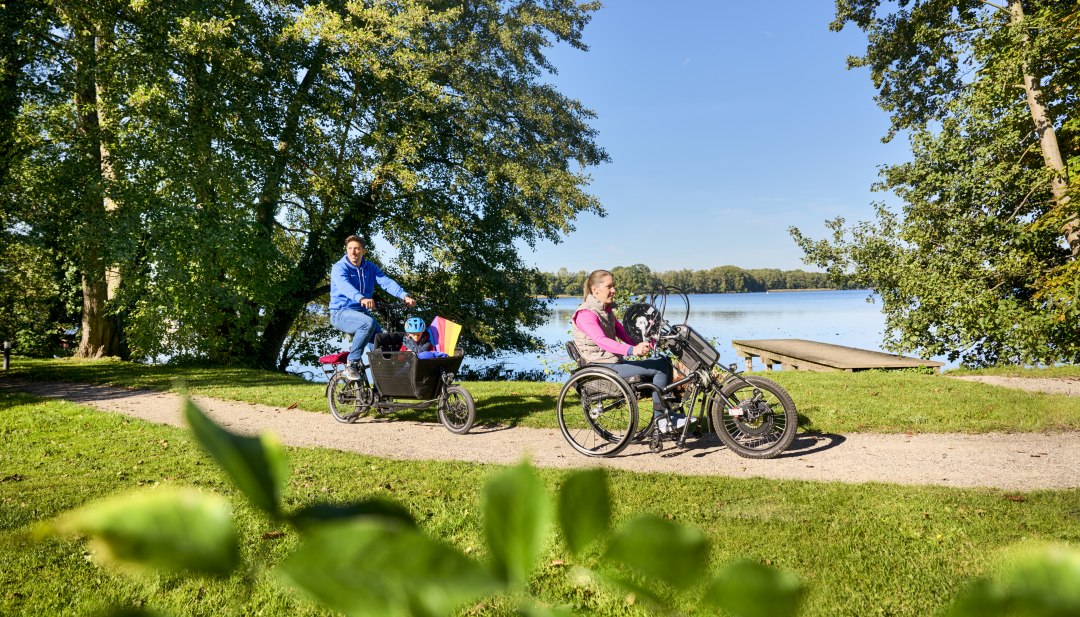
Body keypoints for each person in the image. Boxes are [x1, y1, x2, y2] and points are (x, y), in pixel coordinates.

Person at [571, 269, 689, 432]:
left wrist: (653, 343)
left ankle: (668, 414)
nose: (614, 290)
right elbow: (601, 341)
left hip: (611, 363)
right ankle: (661, 419)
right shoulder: (585, 314)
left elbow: (626, 335)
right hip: (600, 367)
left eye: (614, 286)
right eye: (609, 286)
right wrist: (632, 350)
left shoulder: (606, 311)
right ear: (595, 290)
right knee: (659, 367)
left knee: (664, 361)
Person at [329, 236, 416, 380]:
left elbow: (386, 282)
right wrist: (361, 298)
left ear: (363, 250)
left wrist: (404, 296)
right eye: (350, 249)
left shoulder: (369, 267)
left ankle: (380, 386)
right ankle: (351, 364)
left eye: (357, 248)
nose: (353, 252)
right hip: (340, 312)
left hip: (361, 313)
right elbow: (345, 286)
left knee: (379, 341)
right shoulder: (340, 267)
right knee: (367, 323)